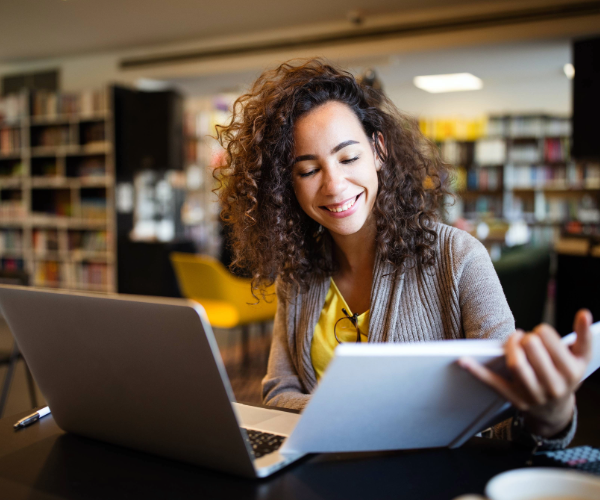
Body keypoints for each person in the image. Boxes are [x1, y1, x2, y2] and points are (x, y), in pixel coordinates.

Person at [215, 59, 592, 449]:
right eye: (308, 170)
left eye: (348, 158)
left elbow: (504, 418)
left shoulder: (458, 257)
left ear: (378, 151)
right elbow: (277, 393)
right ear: (286, 184)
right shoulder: (298, 273)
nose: (334, 185)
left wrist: (551, 416)